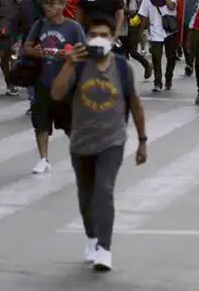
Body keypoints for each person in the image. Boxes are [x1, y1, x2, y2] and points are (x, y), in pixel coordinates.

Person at [50, 14, 147, 273]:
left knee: (104, 190)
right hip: (80, 141)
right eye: (93, 35)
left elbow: (135, 104)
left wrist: (142, 141)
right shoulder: (79, 65)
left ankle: (104, 248)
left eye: (104, 35)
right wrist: (69, 64)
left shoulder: (123, 68)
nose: (99, 39)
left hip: (112, 141)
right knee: (86, 195)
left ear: (113, 38)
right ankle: (91, 237)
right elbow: (57, 93)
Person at [23, 0, 86, 174]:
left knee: (70, 126)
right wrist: (35, 52)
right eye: (46, 4)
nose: (47, 7)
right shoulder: (40, 25)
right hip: (42, 81)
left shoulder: (73, 28)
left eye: (52, 4)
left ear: (62, 6)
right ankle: (44, 159)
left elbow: (83, 54)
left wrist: (70, 56)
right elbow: (27, 48)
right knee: (41, 123)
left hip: (66, 84)